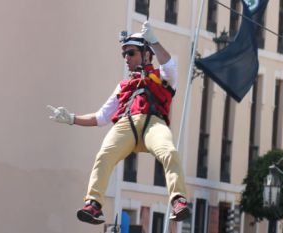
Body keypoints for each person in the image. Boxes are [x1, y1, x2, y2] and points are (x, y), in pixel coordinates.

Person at [47, 21, 190, 225]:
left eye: (131, 53)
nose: (126, 58)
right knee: (104, 155)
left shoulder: (163, 77)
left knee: (169, 152)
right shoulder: (123, 86)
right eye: (124, 54)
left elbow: (168, 64)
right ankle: (93, 204)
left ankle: (178, 200)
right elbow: (101, 117)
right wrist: (72, 119)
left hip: (153, 124)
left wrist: (154, 41)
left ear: (146, 54)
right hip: (127, 125)